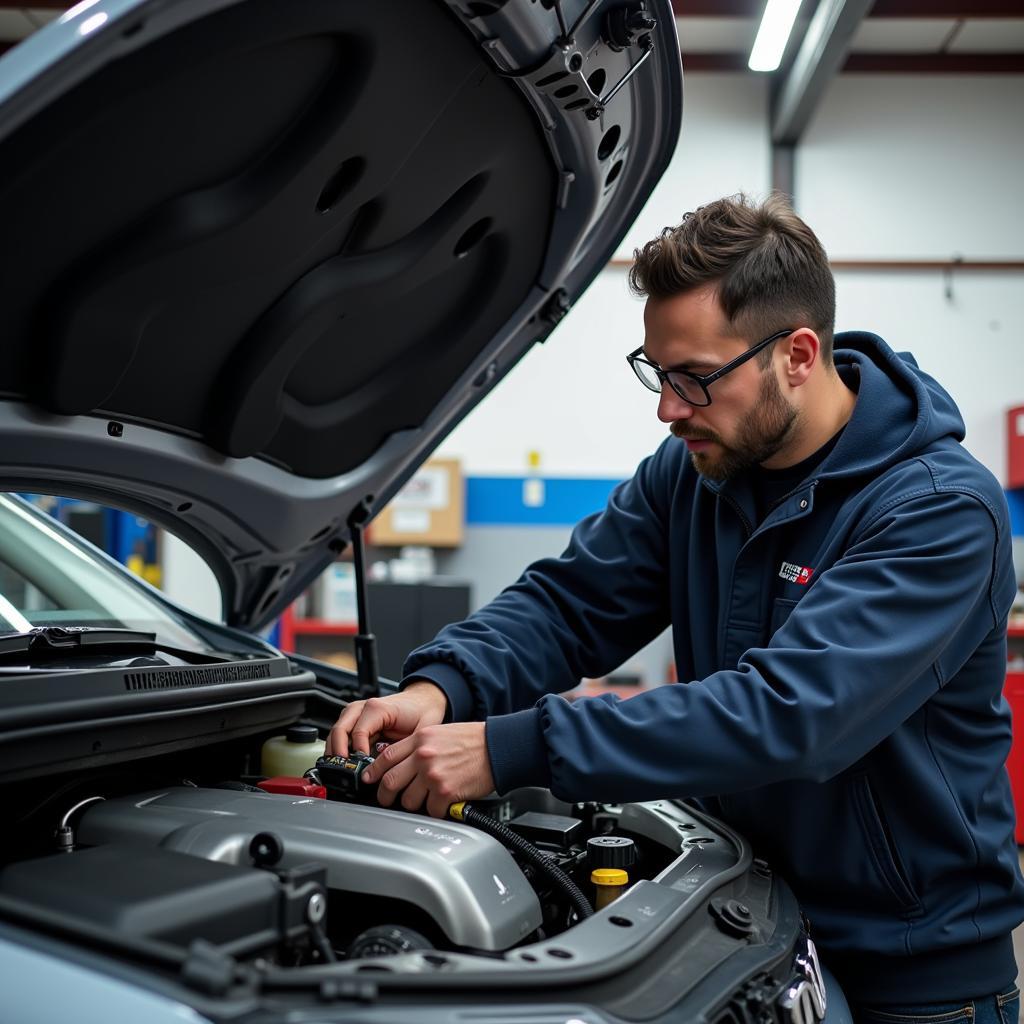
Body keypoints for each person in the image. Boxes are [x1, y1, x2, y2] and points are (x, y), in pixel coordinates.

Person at [327, 194, 1024, 1010]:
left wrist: (511, 747)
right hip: (743, 920)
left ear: (798, 354)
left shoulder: (937, 510)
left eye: (695, 378)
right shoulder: (694, 472)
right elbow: (568, 604)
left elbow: (790, 714)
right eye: (657, 375)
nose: (668, 409)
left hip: (909, 977)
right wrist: (442, 687)